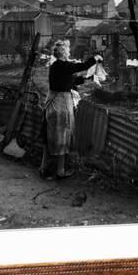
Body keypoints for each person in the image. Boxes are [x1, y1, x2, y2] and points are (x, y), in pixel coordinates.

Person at [39, 40, 103, 179]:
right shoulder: (64, 65)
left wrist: (89, 78)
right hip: (61, 106)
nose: (69, 52)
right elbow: (83, 66)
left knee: (48, 136)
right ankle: (60, 171)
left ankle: (43, 167)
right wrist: (95, 58)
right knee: (63, 137)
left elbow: (70, 81)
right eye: (68, 50)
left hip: (52, 104)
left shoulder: (56, 66)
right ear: (63, 53)